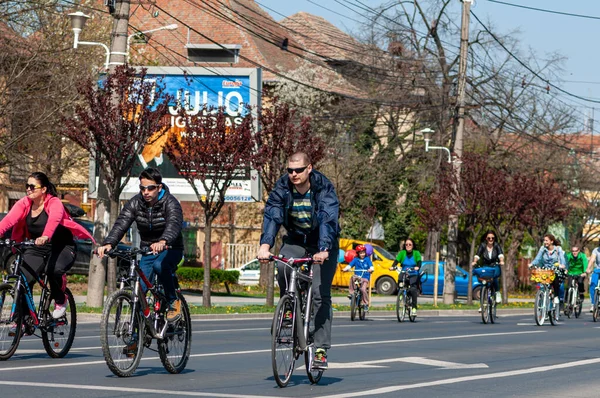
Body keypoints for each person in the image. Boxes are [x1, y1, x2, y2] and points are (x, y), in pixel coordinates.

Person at [257, 152, 340, 370]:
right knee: (283, 266)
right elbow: (272, 215)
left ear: (309, 168)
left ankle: (320, 349)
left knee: (321, 294)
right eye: (290, 170)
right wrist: (265, 245)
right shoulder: (282, 188)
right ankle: (289, 307)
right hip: (296, 239)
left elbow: (327, 219)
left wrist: (323, 249)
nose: (294, 174)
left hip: (322, 241)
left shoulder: (323, 188)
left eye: (299, 170)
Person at [0, 172, 94, 330]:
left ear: (43, 189)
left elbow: (54, 219)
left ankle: (60, 300)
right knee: (22, 278)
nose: (28, 190)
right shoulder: (24, 203)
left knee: (54, 270)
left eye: (32, 187)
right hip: (38, 247)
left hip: (62, 245)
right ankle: (24, 318)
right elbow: (8, 220)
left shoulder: (54, 202)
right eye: (27, 186)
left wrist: (46, 235)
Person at [97, 167, 184, 322]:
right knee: (139, 292)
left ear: (159, 187)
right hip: (148, 250)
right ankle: (135, 337)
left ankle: (172, 301)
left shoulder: (170, 203)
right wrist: (109, 243)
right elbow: (122, 223)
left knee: (160, 266)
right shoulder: (136, 203)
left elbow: (174, 224)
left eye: (150, 188)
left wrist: (163, 241)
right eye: (142, 188)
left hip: (170, 248)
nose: (146, 192)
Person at [529, 234, 567, 307]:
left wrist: (562, 265)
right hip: (545, 269)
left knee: (556, 279)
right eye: (544, 240)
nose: (545, 242)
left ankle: (556, 296)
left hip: (555, 268)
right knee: (541, 283)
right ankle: (542, 299)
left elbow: (562, 259)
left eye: (546, 240)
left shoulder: (558, 249)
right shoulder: (542, 249)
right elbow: (538, 258)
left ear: (551, 241)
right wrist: (532, 264)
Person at [389, 238, 421, 317]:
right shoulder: (402, 253)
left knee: (413, 289)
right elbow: (396, 261)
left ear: (413, 245)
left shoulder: (416, 253)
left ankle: (414, 308)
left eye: (410, 244)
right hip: (404, 272)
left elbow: (419, 262)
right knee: (400, 283)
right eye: (406, 244)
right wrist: (393, 267)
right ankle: (401, 295)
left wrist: (417, 267)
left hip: (413, 273)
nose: (408, 246)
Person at [471, 230, 504, 304]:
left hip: (495, 265)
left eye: (493, 238)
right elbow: (477, 254)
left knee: (494, 277)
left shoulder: (496, 245)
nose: (491, 240)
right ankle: (482, 303)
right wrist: (475, 261)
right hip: (486, 266)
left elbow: (500, 254)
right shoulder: (482, 245)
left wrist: (501, 261)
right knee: (484, 280)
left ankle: (497, 293)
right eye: (489, 238)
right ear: (486, 238)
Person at [342, 245, 373, 310]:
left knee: (363, 289)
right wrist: (345, 269)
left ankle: (365, 303)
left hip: (365, 277)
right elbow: (350, 265)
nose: (362, 254)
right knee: (352, 277)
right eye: (361, 253)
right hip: (357, 276)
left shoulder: (367, 259)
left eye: (363, 252)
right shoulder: (356, 259)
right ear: (358, 253)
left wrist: (371, 269)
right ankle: (352, 293)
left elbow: (371, 266)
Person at [587, 246, 600, 312]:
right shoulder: (596, 250)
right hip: (598, 270)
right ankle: (593, 304)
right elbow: (592, 260)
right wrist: (588, 268)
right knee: (593, 284)